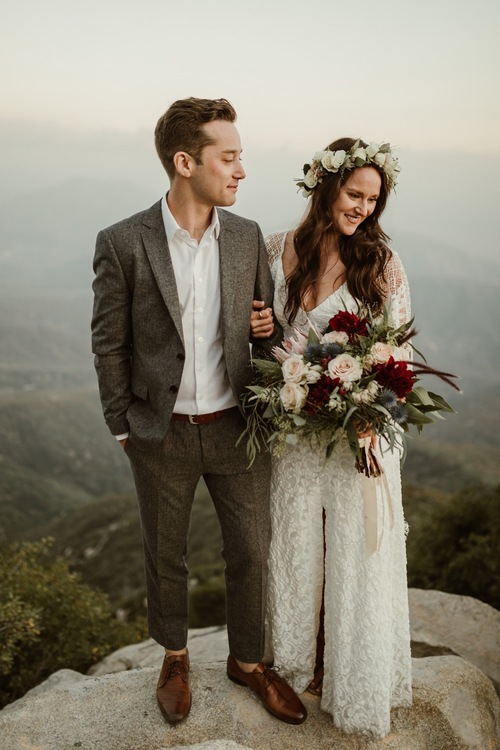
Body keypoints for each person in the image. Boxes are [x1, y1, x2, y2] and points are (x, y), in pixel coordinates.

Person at [91, 97, 306, 726]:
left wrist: (265, 329)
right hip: (161, 432)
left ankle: (249, 662)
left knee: (252, 552)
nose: (241, 171)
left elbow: (267, 337)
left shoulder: (245, 238)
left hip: (239, 428)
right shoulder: (124, 241)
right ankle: (176, 657)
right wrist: (121, 424)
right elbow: (109, 340)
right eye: (229, 157)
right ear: (186, 162)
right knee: (167, 554)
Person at [250, 138, 412, 738]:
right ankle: (293, 664)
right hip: (293, 428)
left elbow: (399, 354)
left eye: (373, 200)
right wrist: (258, 328)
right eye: (353, 194)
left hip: (357, 433)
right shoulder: (273, 250)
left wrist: (372, 410)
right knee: (296, 539)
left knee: (351, 546)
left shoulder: (382, 265)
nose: (363, 209)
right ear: (324, 187)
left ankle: (349, 673)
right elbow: (262, 347)